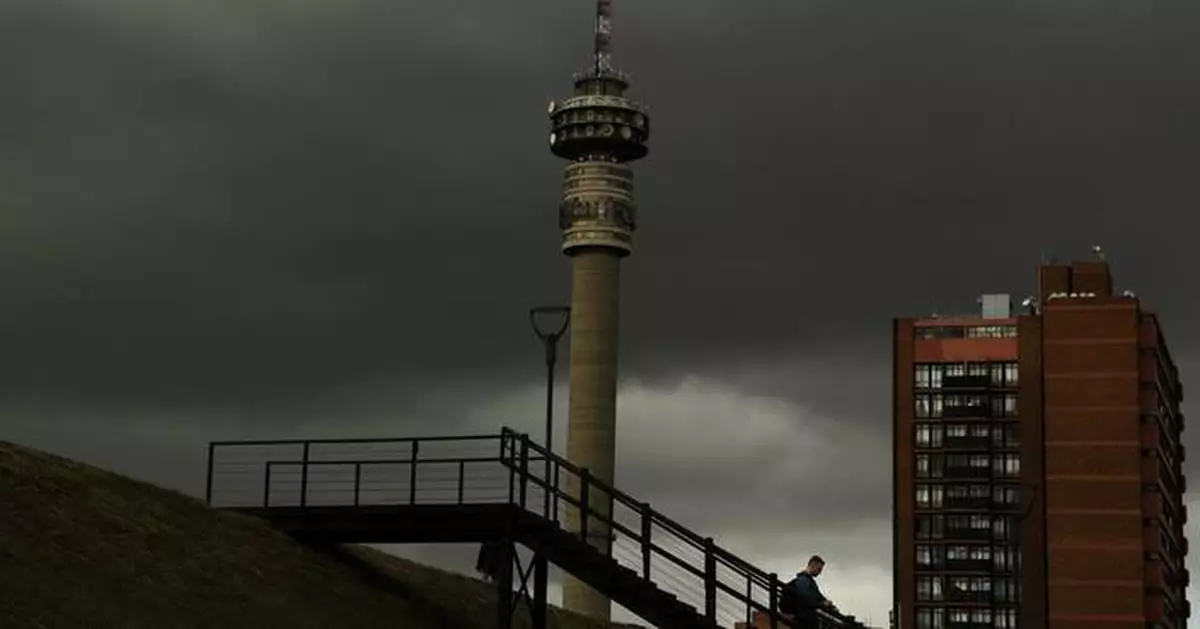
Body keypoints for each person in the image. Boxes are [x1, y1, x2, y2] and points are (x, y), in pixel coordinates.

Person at [784, 555, 837, 629]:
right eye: (819, 569)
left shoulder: (807, 581)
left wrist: (828, 604)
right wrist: (822, 604)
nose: (820, 573)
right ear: (813, 565)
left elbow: (818, 596)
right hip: (804, 620)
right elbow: (805, 600)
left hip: (807, 618)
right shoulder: (804, 581)